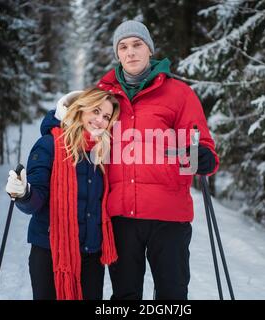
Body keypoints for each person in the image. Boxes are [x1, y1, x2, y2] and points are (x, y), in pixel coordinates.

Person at [96, 20, 220, 300]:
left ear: (149, 49)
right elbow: (82, 132)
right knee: (125, 296)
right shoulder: (104, 96)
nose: (130, 52)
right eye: (123, 47)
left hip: (169, 216)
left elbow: (203, 145)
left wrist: (205, 158)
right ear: (117, 54)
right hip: (121, 217)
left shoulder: (179, 93)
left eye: (137, 45)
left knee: (172, 294)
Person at [5, 88, 120, 300]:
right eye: (95, 111)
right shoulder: (49, 144)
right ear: (80, 109)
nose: (100, 120)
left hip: (91, 254)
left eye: (106, 116)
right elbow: (36, 200)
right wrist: (24, 193)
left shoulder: (102, 151)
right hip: (51, 252)